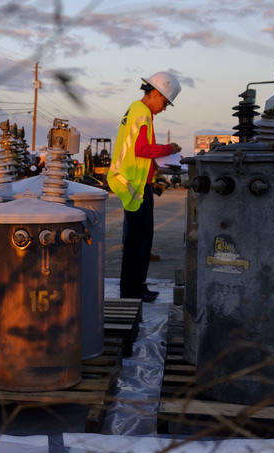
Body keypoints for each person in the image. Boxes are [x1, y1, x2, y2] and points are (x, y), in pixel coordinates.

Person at [108, 71, 182, 302]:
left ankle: (135, 287)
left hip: (135, 182)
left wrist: (154, 169)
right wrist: (170, 149)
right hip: (135, 185)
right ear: (155, 93)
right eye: (165, 102)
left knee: (138, 240)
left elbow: (136, 151)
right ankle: (132, 291)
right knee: (137, 242)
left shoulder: (135, 109)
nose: (165, 107)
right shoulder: (143, 113)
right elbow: (142, 149)